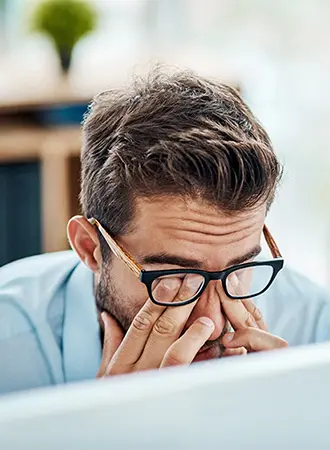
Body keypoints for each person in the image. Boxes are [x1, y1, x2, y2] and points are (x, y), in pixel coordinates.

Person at [1, 69, 330, 394]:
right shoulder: (10, 348)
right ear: (91, 248)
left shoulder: (315, 332)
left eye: (238, 270)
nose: (212, 323)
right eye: (175, 279)